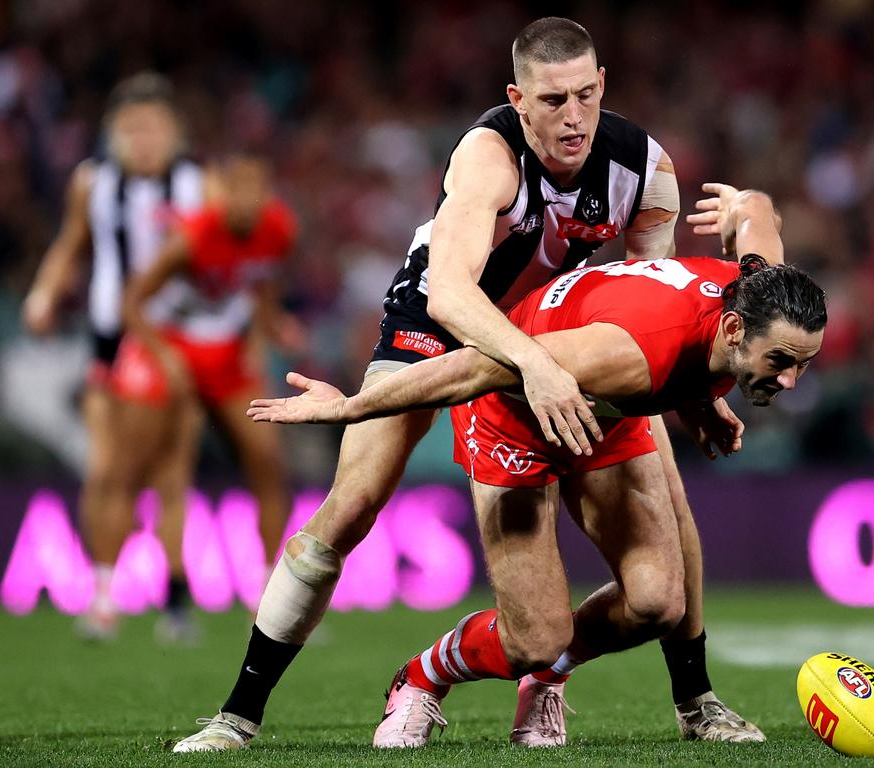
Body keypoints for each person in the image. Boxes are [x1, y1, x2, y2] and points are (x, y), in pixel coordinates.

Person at [174, 16, 756, 751]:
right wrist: (535, 367)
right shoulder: (488, 157)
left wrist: (693, 396)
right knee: (351, 504)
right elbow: (451, 293)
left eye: (584, 95)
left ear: (603, 85)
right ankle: (238, 715)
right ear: (517, 99)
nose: (572, 117)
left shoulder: (645, 169)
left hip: (552, 338)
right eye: (551, 101)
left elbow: (651, 297)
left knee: (667, 498)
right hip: (439, 326)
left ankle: (692, 699)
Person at [245, 184, 827, 748]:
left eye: (803, 363)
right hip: (513, 411)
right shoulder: (632, 354)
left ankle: (552, 679)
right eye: (780, 361)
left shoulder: (760, 291)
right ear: (732, 329)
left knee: (656, 603)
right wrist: (352, 405)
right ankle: (423, 676)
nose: (789, 380)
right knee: (534, 639)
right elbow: (476, 368)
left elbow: (757, 213)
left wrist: (742, 207)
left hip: (600, 409)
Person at [21, 72, 210, 640]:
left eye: (153, 127)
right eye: (131, 129)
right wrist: (45, 290)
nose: (143, 140)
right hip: (111, 341)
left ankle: (174, 602)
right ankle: (102, 594)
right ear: (114, 134)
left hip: (179, 342)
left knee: (171, 475)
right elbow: (72, 242)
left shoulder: (200, 185)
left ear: (173, 132)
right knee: (106, 469)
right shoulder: (93, 182)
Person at [112, 151, 300, 640]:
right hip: (175, 346)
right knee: (168, 471)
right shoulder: (193, 235)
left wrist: (270, 324)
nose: (246, 202)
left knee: (267, 459)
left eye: (256, 191)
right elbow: (132, 301)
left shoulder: (278, 229)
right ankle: (172, 601)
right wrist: (163, 355)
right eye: (237, 191)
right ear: (221, 194)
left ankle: (268, 597)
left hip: (229, 352)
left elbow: (262, 282)